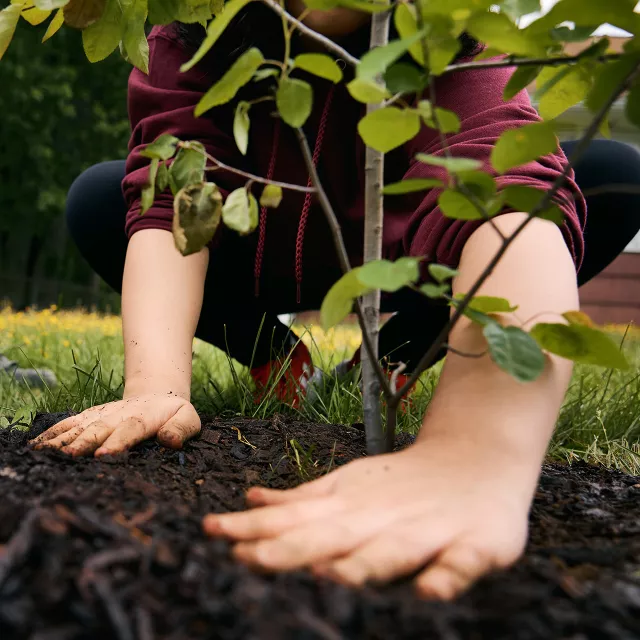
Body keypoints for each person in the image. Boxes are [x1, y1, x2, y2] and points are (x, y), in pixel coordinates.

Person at [31, 5, 640, 599]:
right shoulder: (196, 23)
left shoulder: (453, 26)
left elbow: (508, 200)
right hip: (259, 247)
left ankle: (393, 357)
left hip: (415, 253)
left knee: (612, 175)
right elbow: (174, 196)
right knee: (100, 201)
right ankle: (275, 356)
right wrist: (155, 385)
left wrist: (477, 447)